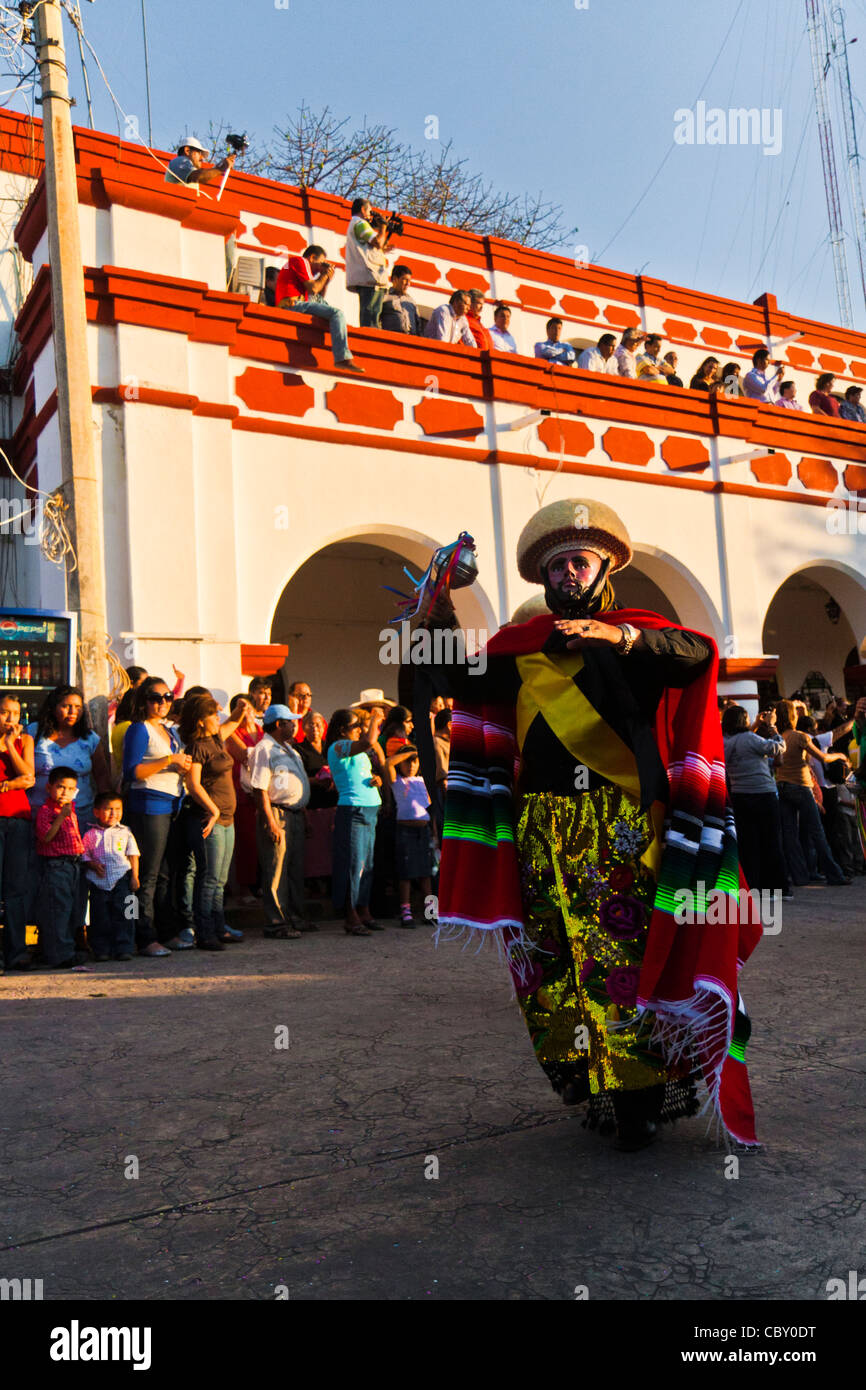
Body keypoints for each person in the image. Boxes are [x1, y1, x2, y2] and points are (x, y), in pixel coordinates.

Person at [409, 497, 762, 1151]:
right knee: (550, 964)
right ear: (543, 582)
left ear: (604, 570)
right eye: (556, 567)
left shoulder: (641, 638)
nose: (568, 574)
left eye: (579, 561)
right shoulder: (518, 649)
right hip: (539, 829)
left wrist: (620, 637)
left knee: (619, 963)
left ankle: (638, 1096)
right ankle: (593, 1081)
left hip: (621, 824)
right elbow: (451, 674)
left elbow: (698, 653)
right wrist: (436, 603)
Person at [123, 676, 193, 957]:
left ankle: (165, 932)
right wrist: (168, 761)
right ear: (144, 701)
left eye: (167, 697)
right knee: (146, 876)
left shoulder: (169, 731)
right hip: (148, 805)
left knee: (165, 874)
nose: (162, 703)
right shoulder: (139, 729)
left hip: (171, 805)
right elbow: (132, 771)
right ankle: (143, 935)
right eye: (155, 698)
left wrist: (182, 766)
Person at [180, 693, 250, 950]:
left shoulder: (217, 737)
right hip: (212, 819)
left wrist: (242, 708)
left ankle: (218, 926)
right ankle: (204, 930)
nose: (216, 717)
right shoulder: (197, 746)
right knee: (208, 877)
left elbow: (232, 721)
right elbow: (193, 784)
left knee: (220, 880)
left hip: (227, 818)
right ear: (201, 721)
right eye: (211, 714)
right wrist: (213, 809)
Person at [248, 704, 310, 939]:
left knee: (294, 868)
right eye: (289, 722)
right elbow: (260, 789)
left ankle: (295, 916)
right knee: (276, 869)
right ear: (278, 725)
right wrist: (270, 822)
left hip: (293, 813)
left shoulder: (288, 749)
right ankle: (276, 922)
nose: (294, 726)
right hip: (276, 813)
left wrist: (303, 814)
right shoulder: (265, 748)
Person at [774, 700, 850, 886]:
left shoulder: (778, 737)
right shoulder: (800, 736)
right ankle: (835, 875)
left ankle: (801, 876)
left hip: (782, 786)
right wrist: (839, 756)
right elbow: (822, 757)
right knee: (817, 831)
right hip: (800, 786)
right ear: (793, 716)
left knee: (790, 835)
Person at [325, 707, 385, 935]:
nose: (359, 729)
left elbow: (365, 767)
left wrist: (376, 779)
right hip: (353, 809)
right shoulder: (338, 746)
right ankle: (350, 915)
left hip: (369, 808)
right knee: (353, 865)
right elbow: (369, 742)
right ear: (343, 730)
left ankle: (364, 910)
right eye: (355, 726)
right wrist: (374, 719)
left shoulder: (357, 750)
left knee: (367, 865)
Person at [721, 705, 789, 898]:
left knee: (748, 844)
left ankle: (752, 886)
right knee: (771, 841)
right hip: (763, 793)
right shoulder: (750, 739)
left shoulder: (725, 741)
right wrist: (772, 727)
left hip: (739, 795)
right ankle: (778, 887)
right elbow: (778, 748)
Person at [28, 685, 110, 829]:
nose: (73, 712)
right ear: (53, 708)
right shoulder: (33, 732)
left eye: (78, 707)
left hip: (80, 815)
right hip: (40, 814)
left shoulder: (90, 738)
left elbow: (102, 776)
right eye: (66, 706)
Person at [276, 244, 363, 373]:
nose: (320, 268)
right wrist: (324, 275)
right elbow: (314, 288)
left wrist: (325, 281)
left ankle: (341, 354)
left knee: (330, 311)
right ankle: (342, 357)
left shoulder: (301, 270)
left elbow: (317, 297)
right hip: (292, 305)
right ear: (312, 257)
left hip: (296, 305)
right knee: (337, 313)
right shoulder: (300, 261)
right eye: (321, 262)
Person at [34, 766, 86, 968]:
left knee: (73, 909)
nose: (65, 792)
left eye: (70, 788)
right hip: (56, 866)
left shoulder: (71, 810)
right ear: (49, 788)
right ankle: (58, 954)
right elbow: (46, 837)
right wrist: (61, 817)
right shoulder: (47, 811)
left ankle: (69, 949)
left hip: (74, 864)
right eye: (60, 787)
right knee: (58, 909)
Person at [81, 793, 140, 962]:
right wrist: (92, 864)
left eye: (117, 809)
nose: (113, 813)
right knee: (100, 916)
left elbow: (133, 855)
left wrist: (135, 877)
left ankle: (125, 948)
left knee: (128, 913)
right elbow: (84, 855)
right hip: (98, 882)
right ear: (97, 812)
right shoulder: (90, 833)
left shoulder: (126, 832)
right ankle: (101, 949)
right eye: (108, 809)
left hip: (123, 878)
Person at [0, 692, 35, 970]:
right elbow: (21, 778)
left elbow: (29, 777)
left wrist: (11, 746)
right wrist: (16, 781)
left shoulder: (25, 741)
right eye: (4, 712)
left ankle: (17, 951)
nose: (10, 718)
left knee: (16, 888)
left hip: (19, 817)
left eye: (15, 712)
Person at [388, 748, 434, 927]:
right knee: (406, 872)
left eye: (415, 761)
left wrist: (435, 833)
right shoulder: (397, 780)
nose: (411, 765)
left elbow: (431, 810)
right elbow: (388, 763)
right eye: (408, 761)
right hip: (405, 829)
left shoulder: (423, 781)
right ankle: (405, 911)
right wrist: (411, 751)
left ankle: (431, 911)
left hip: (424, 830)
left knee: (426, 872)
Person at [344, 198, 394, 328]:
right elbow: (377, 242)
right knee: (371, 317)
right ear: (362, 209)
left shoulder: (356, 224)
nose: (371, 215)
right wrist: (383, 227)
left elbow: (377, 245)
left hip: (366, 277)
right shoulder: (360, 223)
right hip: (370, 277)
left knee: (370, 314)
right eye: (370, 211)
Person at [164, 135, 236, 187]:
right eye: (200, 153)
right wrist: (221, 169)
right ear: (187, 151)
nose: (202, 158)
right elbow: (196, 176)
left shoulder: (185, 169)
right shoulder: (179, 160)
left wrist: (220, 167)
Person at [381, 264, 421, 335]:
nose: (408, 284)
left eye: (409, 280)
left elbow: (418, 325)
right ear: (395, 279)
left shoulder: (411, 301)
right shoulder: (384, 297)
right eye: (405, 279)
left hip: (410, 340)